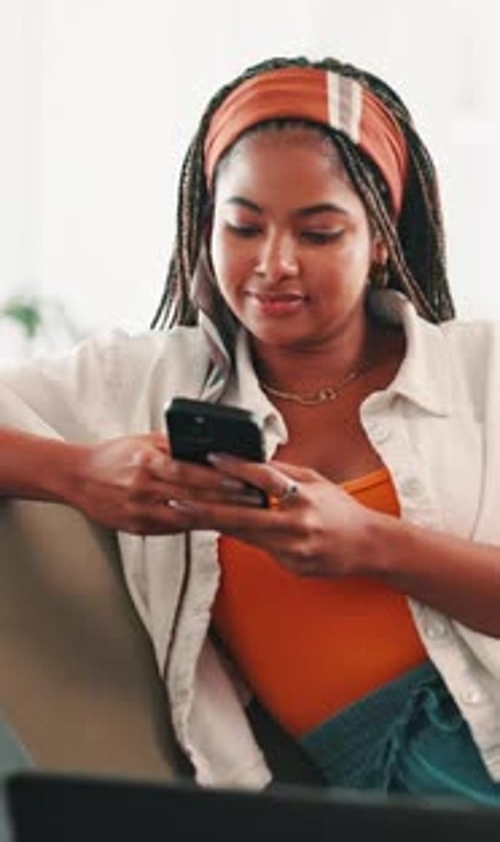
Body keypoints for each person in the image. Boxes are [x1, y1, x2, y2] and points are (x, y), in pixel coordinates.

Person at [2, 55, 500, 803]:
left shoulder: (483, 370)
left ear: (381, 240)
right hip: (394, 786)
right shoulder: (139, 380)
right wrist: (79, 475)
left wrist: (371, 542)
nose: (274, 264)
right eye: (242, 227)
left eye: (320, 233)